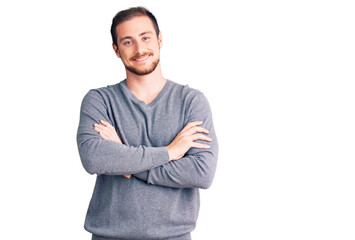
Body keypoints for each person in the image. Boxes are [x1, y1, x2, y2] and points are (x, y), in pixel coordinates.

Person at [77, 6, 218, 240]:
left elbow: (201, 173)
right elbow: (94, 159)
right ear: (116, 49)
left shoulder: (191, 101)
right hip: (109, 236)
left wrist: (124, 161)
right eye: (128, 42)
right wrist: (170, 152)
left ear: (160, 38)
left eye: (145, 37)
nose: (140, 49)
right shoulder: (99, 100)